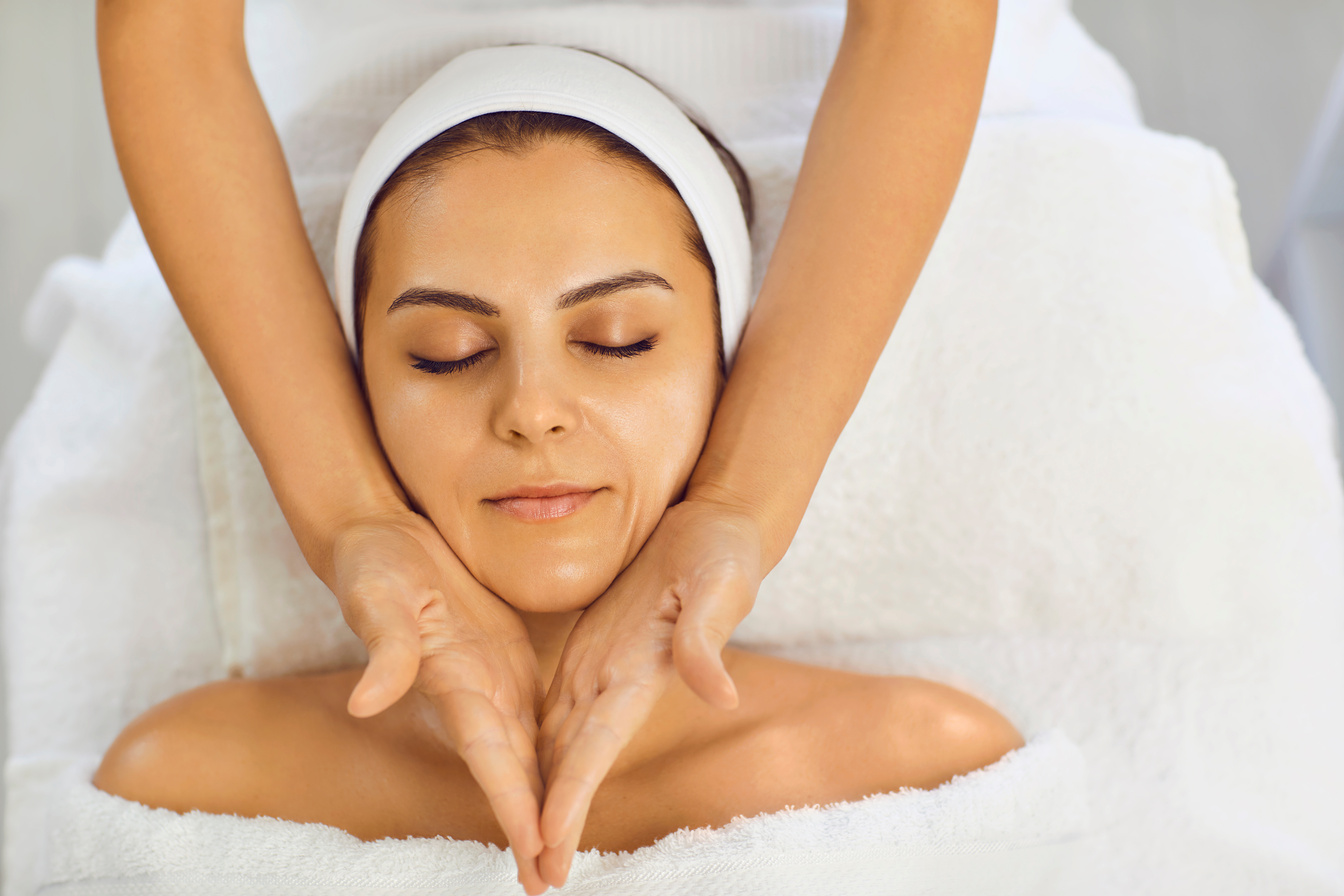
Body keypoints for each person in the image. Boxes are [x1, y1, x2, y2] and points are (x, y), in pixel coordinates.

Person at [95, 1, 996, 890]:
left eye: (616, 340)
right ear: (356, 384)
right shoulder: (187, 784)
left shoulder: (935, 773)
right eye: (449, 354)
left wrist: (737, 506)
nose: (533, 410)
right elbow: (161, 31)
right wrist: (349, 517)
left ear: (728, 361)